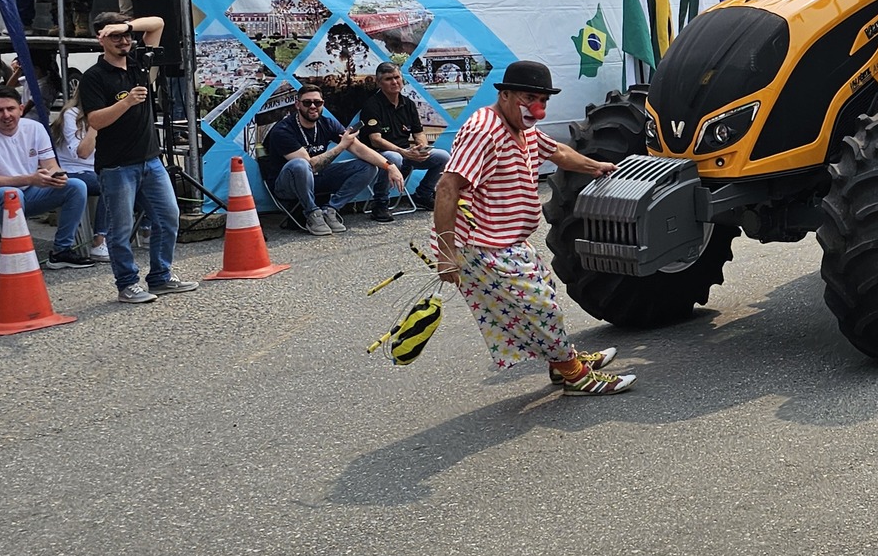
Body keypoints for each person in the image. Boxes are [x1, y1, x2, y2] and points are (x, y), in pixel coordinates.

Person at [430, 60, 632, 395]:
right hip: (483, 244)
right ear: (505, 95)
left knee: (544, 297)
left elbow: (558, 152)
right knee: (539, 307)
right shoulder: (484, 130)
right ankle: (574, 374)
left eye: (543, 101)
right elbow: (447, 187)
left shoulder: (522, 128)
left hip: (511, 240)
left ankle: (560, 363)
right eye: (528, 98)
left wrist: (596, 166)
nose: (537, 109)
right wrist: (446, 252)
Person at [80, 10, 195, 303]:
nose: (124, 40)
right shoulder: (94, 77)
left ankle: (160, 276)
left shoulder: (139, 63)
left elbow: (158, 23)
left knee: (168, 217)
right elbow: (95, 120)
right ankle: (127, 284)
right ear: (100, 38)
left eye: (126, 35)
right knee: (120, 232)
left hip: (150, 160)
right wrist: (128, 102)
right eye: (115, 36)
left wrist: (127, 24)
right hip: (117, 166)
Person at [0, 85, 93, 269]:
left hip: (25, 192)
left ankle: (62, 250)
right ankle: (17, 255)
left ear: (21, 109)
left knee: (76, 186)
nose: (6, 115)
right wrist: (30, 179)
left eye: (11, 109)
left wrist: (57, 176)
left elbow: (51, 166)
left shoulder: (35, 128)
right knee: (12, 194)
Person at [263, 84, 401, 235]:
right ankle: (312, 214)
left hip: (318, 179)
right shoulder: (283, 130)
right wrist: (341, 146)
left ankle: (331, 209)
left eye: (318, 102)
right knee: (300, 164)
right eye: (307, 103)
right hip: (288, 185)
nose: (313, 106)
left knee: (368, 167)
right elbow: (311, 166)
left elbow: (359, 148)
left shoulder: (327, 123)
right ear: (297, 104)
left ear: (323, 103)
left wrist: (389, 166)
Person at [358, 63, 449, 218]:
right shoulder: (371, 106)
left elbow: (418, 133)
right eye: (388, 79)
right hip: (379, 155)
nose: (394, 82)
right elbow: (375, 140)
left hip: (406, 153)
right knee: (394, 158)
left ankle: (423, 194)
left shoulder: (408, 103)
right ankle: (380, 204)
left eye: (396, 77)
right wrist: (403, 152)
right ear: (379, 83)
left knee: (443, 156)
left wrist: (421, 148)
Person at [51, 94, 104, 260]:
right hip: (75, 169)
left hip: (99, 169)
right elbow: (81, 153)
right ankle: (100, 239)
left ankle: (146, 231)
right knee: (113, 182)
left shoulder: (114, 113)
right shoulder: (72, 114)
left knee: (141, 174)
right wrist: (95, 124)